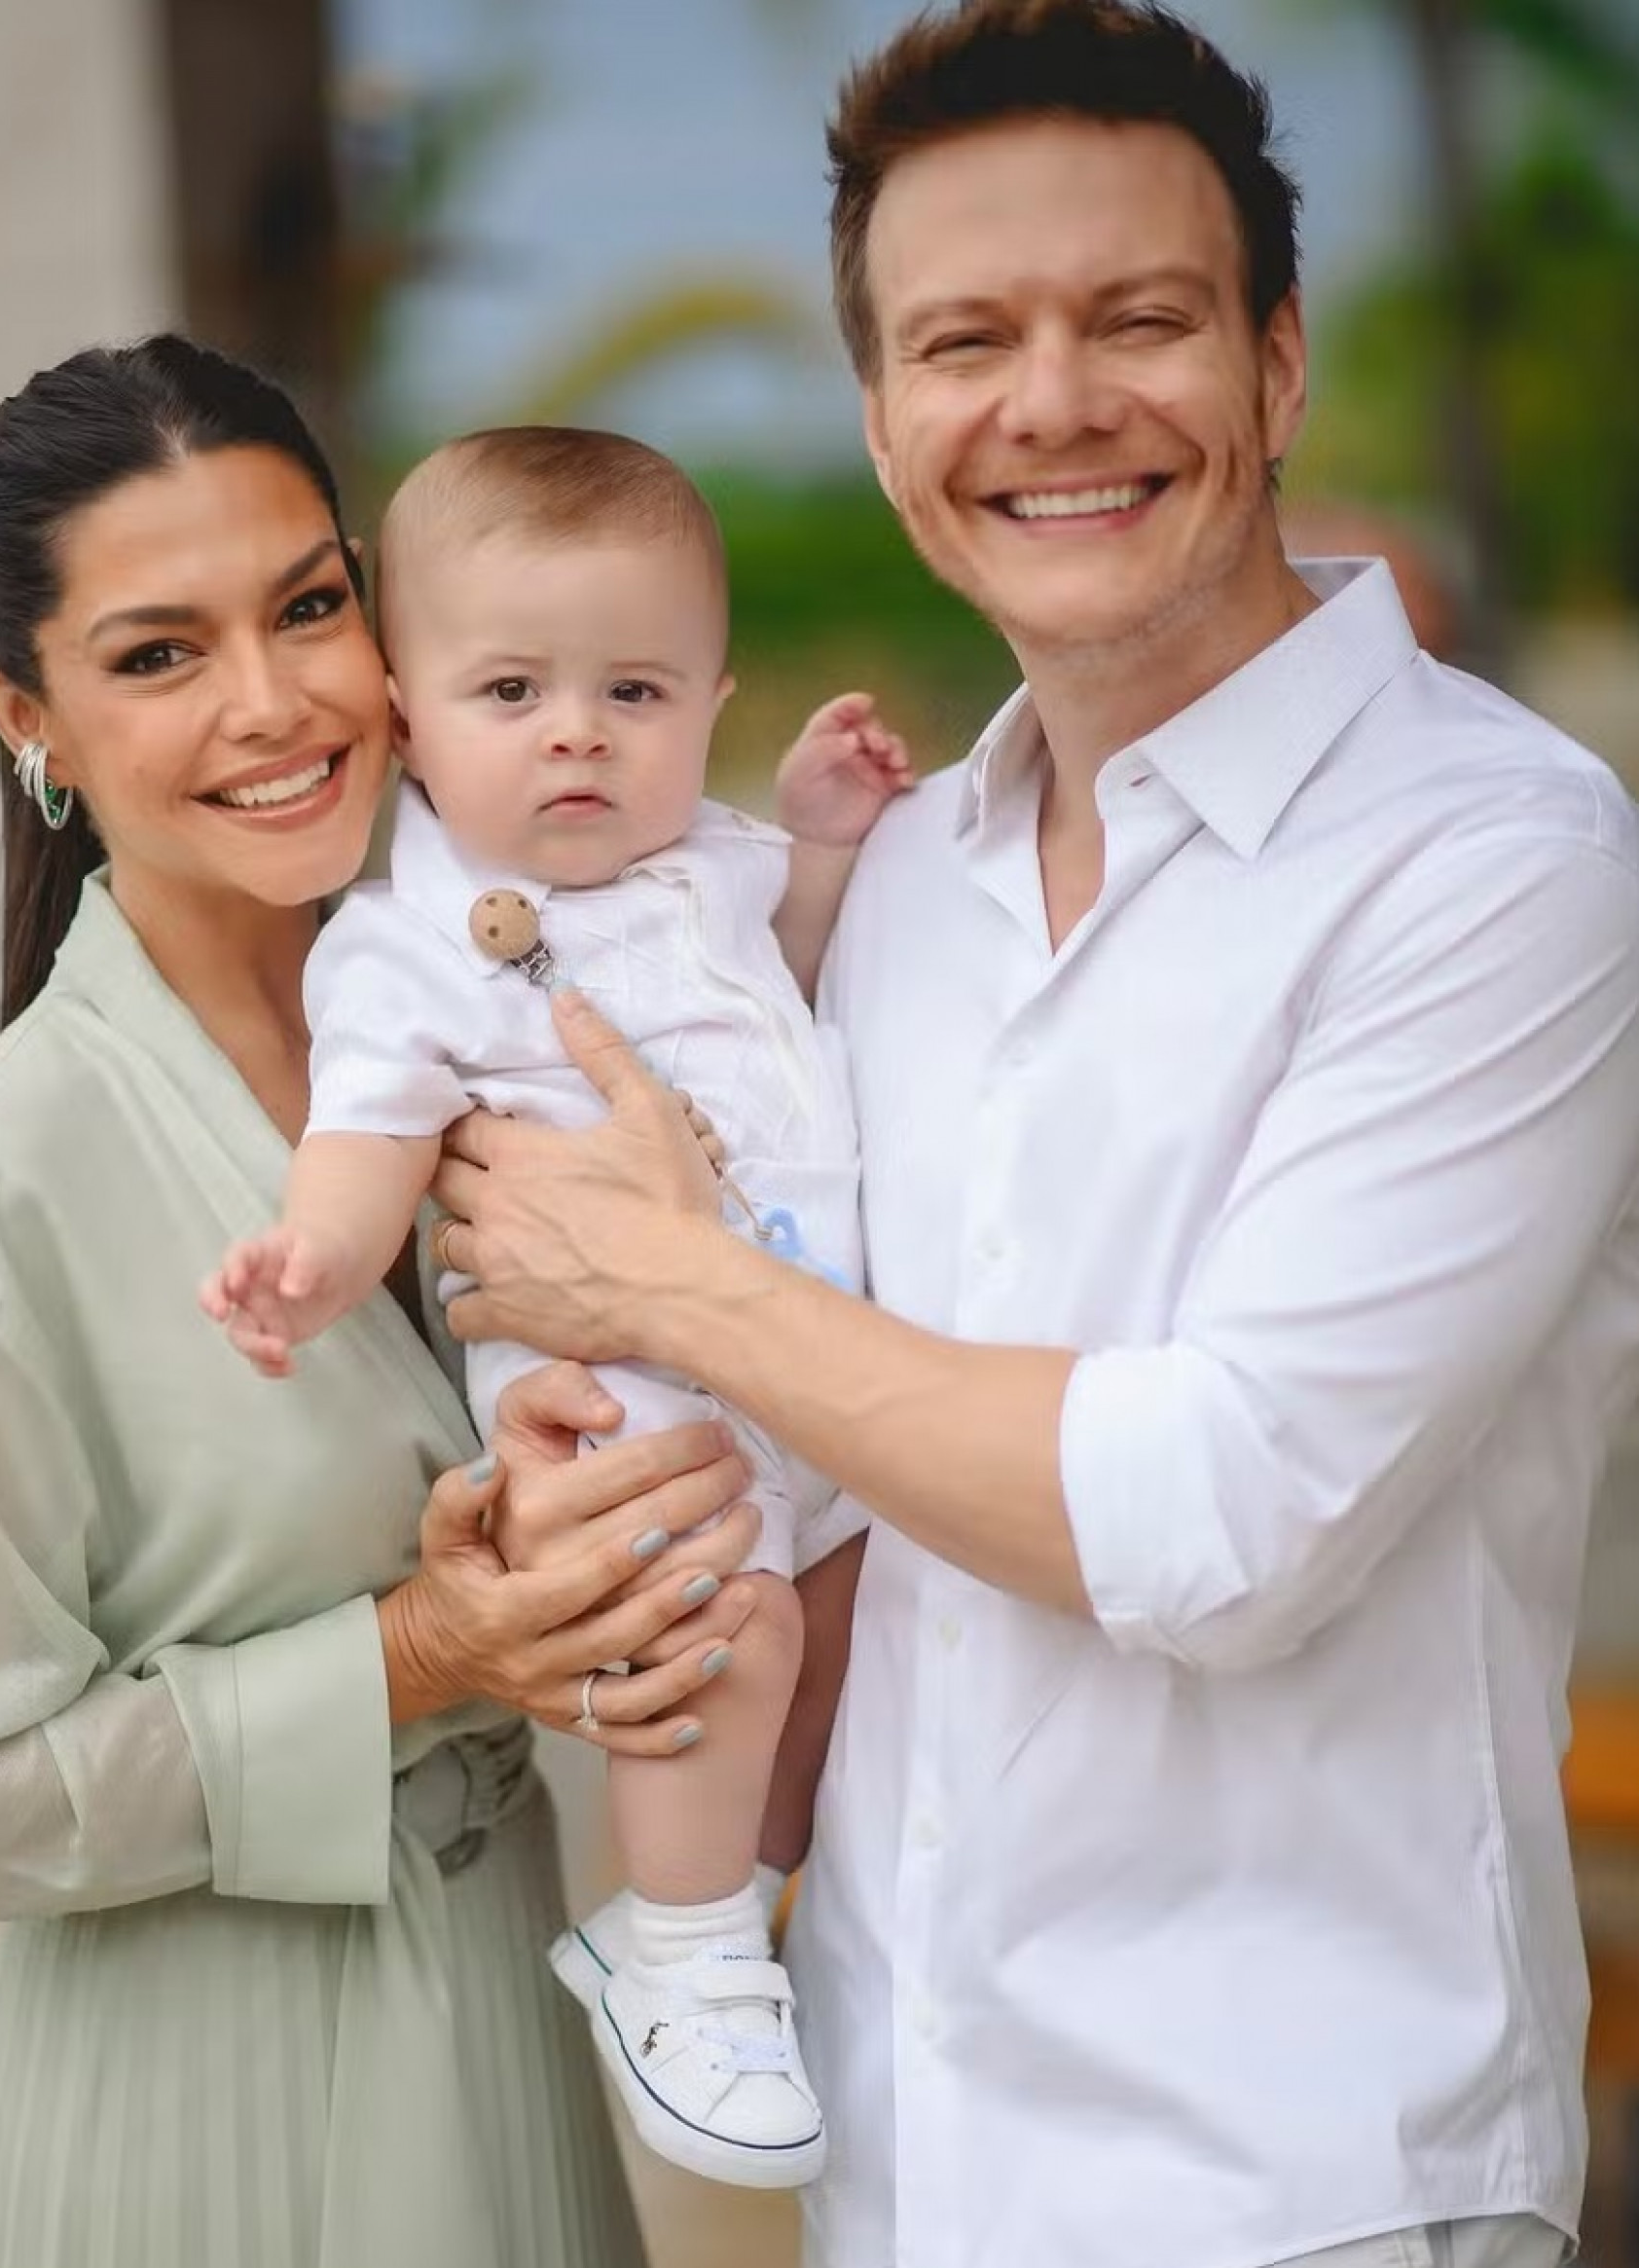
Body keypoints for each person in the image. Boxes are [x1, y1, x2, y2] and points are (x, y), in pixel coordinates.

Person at [423, 6, 1639, 2267]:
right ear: (886, 425)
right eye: (964, 339)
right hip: (903, 2159)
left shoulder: (1493, 857)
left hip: (1300, 2181)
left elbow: (1222, 1516)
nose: (1052, 402)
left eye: (1141, 319)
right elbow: (861, 1503)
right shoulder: (900, 891)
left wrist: (676, 1282)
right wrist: (595, 1564)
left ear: (1275, 369)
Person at [0, 335, 768, 2268]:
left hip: (506, 2049)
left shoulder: (525, 1030)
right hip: (194, 2131)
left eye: (309, 606)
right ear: (32, 717)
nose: (274, 702)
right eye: (159, 653)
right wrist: (417, 1651)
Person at [201, 423, 913, 2187]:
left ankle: (725, 1910)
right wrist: (314, 1251)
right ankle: (668, 1950)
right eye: (512, 686)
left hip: (805, 1346)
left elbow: (790, 1000)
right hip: (624, 1399)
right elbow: (370, 1132)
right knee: (714, 1637)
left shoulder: (719, 866)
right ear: (405, 708)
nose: (578, 729)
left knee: (839, 1624)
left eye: (637, 688)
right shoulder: (412, 944)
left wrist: (820, 844)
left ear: (711, 700)